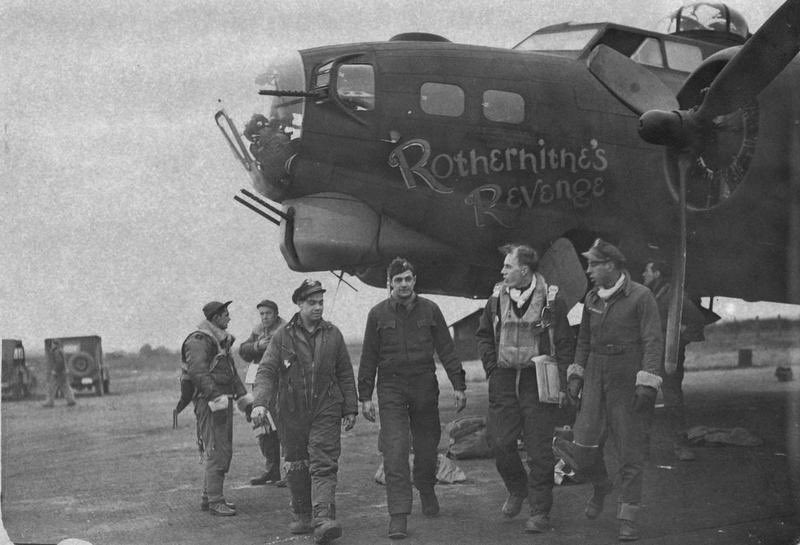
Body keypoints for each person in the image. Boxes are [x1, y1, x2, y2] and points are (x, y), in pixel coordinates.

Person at [553, 239, 663, 542]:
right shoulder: (591, 299)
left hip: (627, 376)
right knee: (583, 449)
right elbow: (584, 340)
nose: (588, 270)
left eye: (593, 264)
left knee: (630, 451)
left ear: (611, 266)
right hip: (595, 374)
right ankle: (601, 485)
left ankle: (628, 516)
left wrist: (648, 381)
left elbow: (653, 340)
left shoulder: (642, 296)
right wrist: (576, 374)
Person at [358, 257, 467, 540]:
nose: (404, 284)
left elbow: (446, 347)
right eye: (398, 280)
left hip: (424, 386)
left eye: (408, 279)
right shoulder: (377, 314)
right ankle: (398, 515)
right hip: (391, 387)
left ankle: (426, 487)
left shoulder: (431, 310)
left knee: (427, 447)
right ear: (389, 284)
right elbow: (369, 356)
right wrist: (364, 396)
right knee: (394, 450)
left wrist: (458, 384)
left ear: (414, 280)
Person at [475, 243, 575, 534]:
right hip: (504, 379)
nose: (502, 271)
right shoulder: (496, 298)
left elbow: (565, 343)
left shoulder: (552, 300)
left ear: (524, 269)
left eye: (508, 266)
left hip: (537, 380)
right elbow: (483, 335)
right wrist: (492, 370)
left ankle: (541, 511)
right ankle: (518, 489)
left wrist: (563, 379)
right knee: (499, 443)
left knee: (539, 451)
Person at [251, 280, 357, 545]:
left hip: (325, 406)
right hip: (290, 409)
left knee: (323, 460)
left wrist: (350, 407)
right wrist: (260, 403)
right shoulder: (282, 336)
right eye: (312, 303)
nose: (318, 307)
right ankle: (302, 512)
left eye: (321, 302)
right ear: (299, 304)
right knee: (296, 461)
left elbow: (344, 372)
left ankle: (323, 518)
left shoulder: (333, 334)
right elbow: (266, 370)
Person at [182, 300, 253, 517]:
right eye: (226, 315)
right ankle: (215, 501)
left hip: (220, 400)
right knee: (216, 450)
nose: (229, 318)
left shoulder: (218, 342)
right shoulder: (200, 340)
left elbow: (230, 374)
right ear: (215, 318)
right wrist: (215, 397)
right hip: (210, 402)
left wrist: (244, 399)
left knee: (220, 448)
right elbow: (197, 372)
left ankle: (209, 496)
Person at [642, 260, 707, 462]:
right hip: (649, 357)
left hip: (669, 358)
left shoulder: (674, 297)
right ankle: (641, 450)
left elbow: (698, 321)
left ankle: (680, 446)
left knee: (673, 402)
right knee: (643, 401)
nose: (644, 274)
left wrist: (679, 339)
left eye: (647, 270)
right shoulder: (650, 295)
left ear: (657, 273)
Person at [238, 299, 287, 486]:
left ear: (276, 313)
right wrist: (257, 346)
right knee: (263, 427)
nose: (264, 317)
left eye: (268, 313)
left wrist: (272, 346)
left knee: (284, 427)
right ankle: (271, 470)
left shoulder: (285, 329)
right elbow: (243, 350)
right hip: (259, 386)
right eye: (262, 313)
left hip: (279, 385)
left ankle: (291, 471)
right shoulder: (258, 330)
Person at [42, 339, 76, 408]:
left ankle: (49, 402)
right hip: (64, 372)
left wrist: (55, 370)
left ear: (55, 344)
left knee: (51, 387)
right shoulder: (61, 350)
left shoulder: (56, 351)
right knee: (65, 387)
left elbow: (59, 362)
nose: (51, 345)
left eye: (52, 344)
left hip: (58, 373)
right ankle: (71, 401)